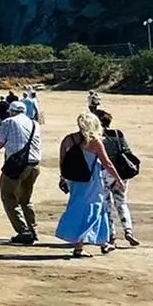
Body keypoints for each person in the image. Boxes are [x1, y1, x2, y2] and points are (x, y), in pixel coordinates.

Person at [55, 111, 122, 259]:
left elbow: (62, 161)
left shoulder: (68, 139)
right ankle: (82, 246)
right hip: (91, 180)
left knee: (77, 207)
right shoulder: (95, 141)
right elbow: (107, 163)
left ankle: (99, 242)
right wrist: (118, 179)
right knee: (94, 208)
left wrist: (63, 178)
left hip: (74, 180)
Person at [0, 96, 44, 245]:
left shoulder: (9, 122)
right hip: (34, 164)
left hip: (16, 165)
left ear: (12, 112)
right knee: (25, 200)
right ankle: (33, 230)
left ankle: (23, 231)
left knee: (8, 196)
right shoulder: (34, 124)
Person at [94, 109, 140, 247]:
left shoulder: (96, 137)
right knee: (122, 202)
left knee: (106, 204)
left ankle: (111, 234)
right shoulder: (117, 134)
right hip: (121, 172)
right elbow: (127, 152)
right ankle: (128, 231)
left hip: (104, 172)